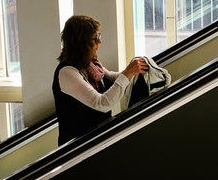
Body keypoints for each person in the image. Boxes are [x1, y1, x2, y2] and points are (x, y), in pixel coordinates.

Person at [52, 14, 149, 146]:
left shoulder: (91, 65)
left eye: (99, 36)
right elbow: (101, 104)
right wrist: (127, 74)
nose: (100, 41)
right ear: (81, 43)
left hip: (96, 141)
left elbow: (113, 78)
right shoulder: (67, 72)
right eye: (95, 38)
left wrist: (134, 70)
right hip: (77, 149)